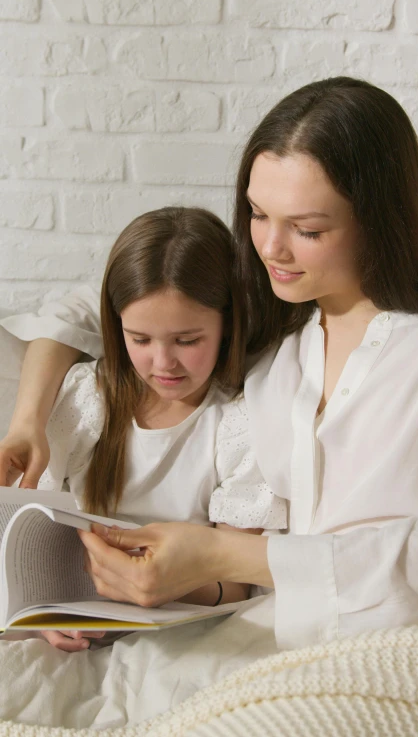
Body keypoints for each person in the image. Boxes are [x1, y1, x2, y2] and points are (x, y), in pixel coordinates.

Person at [1, 76, 418, 727]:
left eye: (306, 228)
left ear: (377, 218)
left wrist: (227, 555)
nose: (271, 248)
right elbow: (95, 307)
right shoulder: (272, 341)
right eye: (257, 214)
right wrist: (29, 420)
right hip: (256, 642)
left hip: (398, 643)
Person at [1, 206, 286, 653]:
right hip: (79, 619)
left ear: (227, 324)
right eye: (140, 339)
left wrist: (163, 583)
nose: (163, 363)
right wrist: (46, 613)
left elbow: (232, 586)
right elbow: (43, 536)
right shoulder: (88, 397)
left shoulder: (240, 423)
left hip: (180, 631)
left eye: (187, 341)